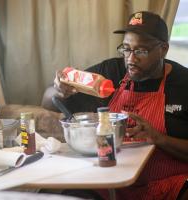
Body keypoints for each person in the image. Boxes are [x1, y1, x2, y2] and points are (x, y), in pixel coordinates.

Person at [42, 11, 188, 200]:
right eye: (126, 49)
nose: (131, 59)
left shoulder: (183, 84)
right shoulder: (111, 72)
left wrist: (157, 138)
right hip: (110, 183)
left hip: (168, 185)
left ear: (163, 49)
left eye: (141, 51)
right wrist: (59, 90)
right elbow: (48, 101)